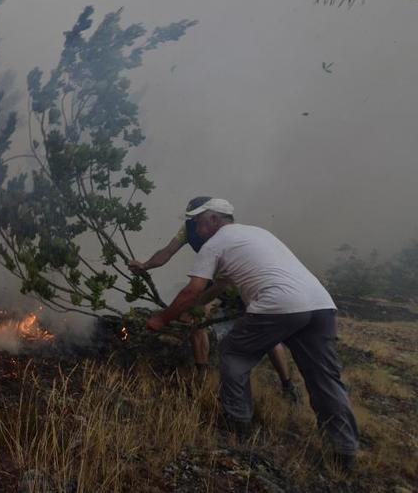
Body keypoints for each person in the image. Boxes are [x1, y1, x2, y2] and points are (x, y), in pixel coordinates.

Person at [146, 198, 359, 469]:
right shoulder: (259, 233)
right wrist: (197, 307)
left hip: (280, 303)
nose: (195, 228)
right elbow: (221, 284)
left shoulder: (215, 243)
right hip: (320, 305)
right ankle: (345, 450)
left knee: (233, 353)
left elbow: (193, 290)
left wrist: (162, 319)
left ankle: (238, 426)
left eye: (198, 221)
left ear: (214, 219)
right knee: (324, 377)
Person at [131, 197, 299, 402]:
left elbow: (223, 283)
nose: (195, 223)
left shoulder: (226, 233)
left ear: (211, 217)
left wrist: (197, 303)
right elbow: (167, 252)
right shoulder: (187, 229)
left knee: (267, 333)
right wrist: (145, 265)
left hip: (239, 280)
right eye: (192, 218)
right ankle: (202, 374)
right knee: (193, 320)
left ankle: (287, 385)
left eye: (197, 218)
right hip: (216, 278)